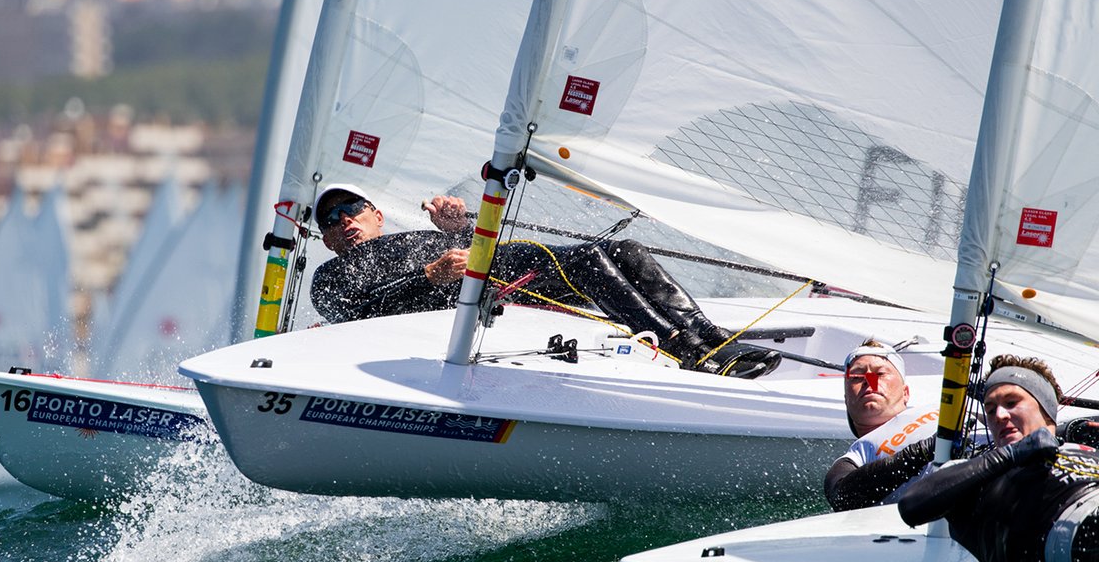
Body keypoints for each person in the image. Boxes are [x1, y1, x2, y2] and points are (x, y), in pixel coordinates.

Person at [309, 183, 781, 378]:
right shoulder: (329, 276)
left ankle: (714, 341)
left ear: (375, 214)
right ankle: (689, 353)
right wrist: (428, 278)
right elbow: (357, 313)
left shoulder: (416, 235)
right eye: (329, 221)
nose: (342, 221)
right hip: (466, 305)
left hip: (496, 277)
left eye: (351, 209)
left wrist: (461, 225)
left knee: (624, 251)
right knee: (590, 261)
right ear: (327, 241)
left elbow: (480, 243)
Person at [897, 355, 1099, 562]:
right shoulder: (976, 474)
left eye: (1011, 403)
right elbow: (912, 506)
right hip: (1075, 538)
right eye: (990, 410)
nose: (999, 416)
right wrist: (1011, 455)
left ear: (1046, 409)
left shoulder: (1081, 447)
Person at [824, 340, 939, 511]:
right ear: (846, 400)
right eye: (857, 376)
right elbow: (841, 497)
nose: (869, 382)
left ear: (905, 393)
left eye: (880, 374)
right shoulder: (859, 454)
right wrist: (920, 452)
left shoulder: (940, 406)